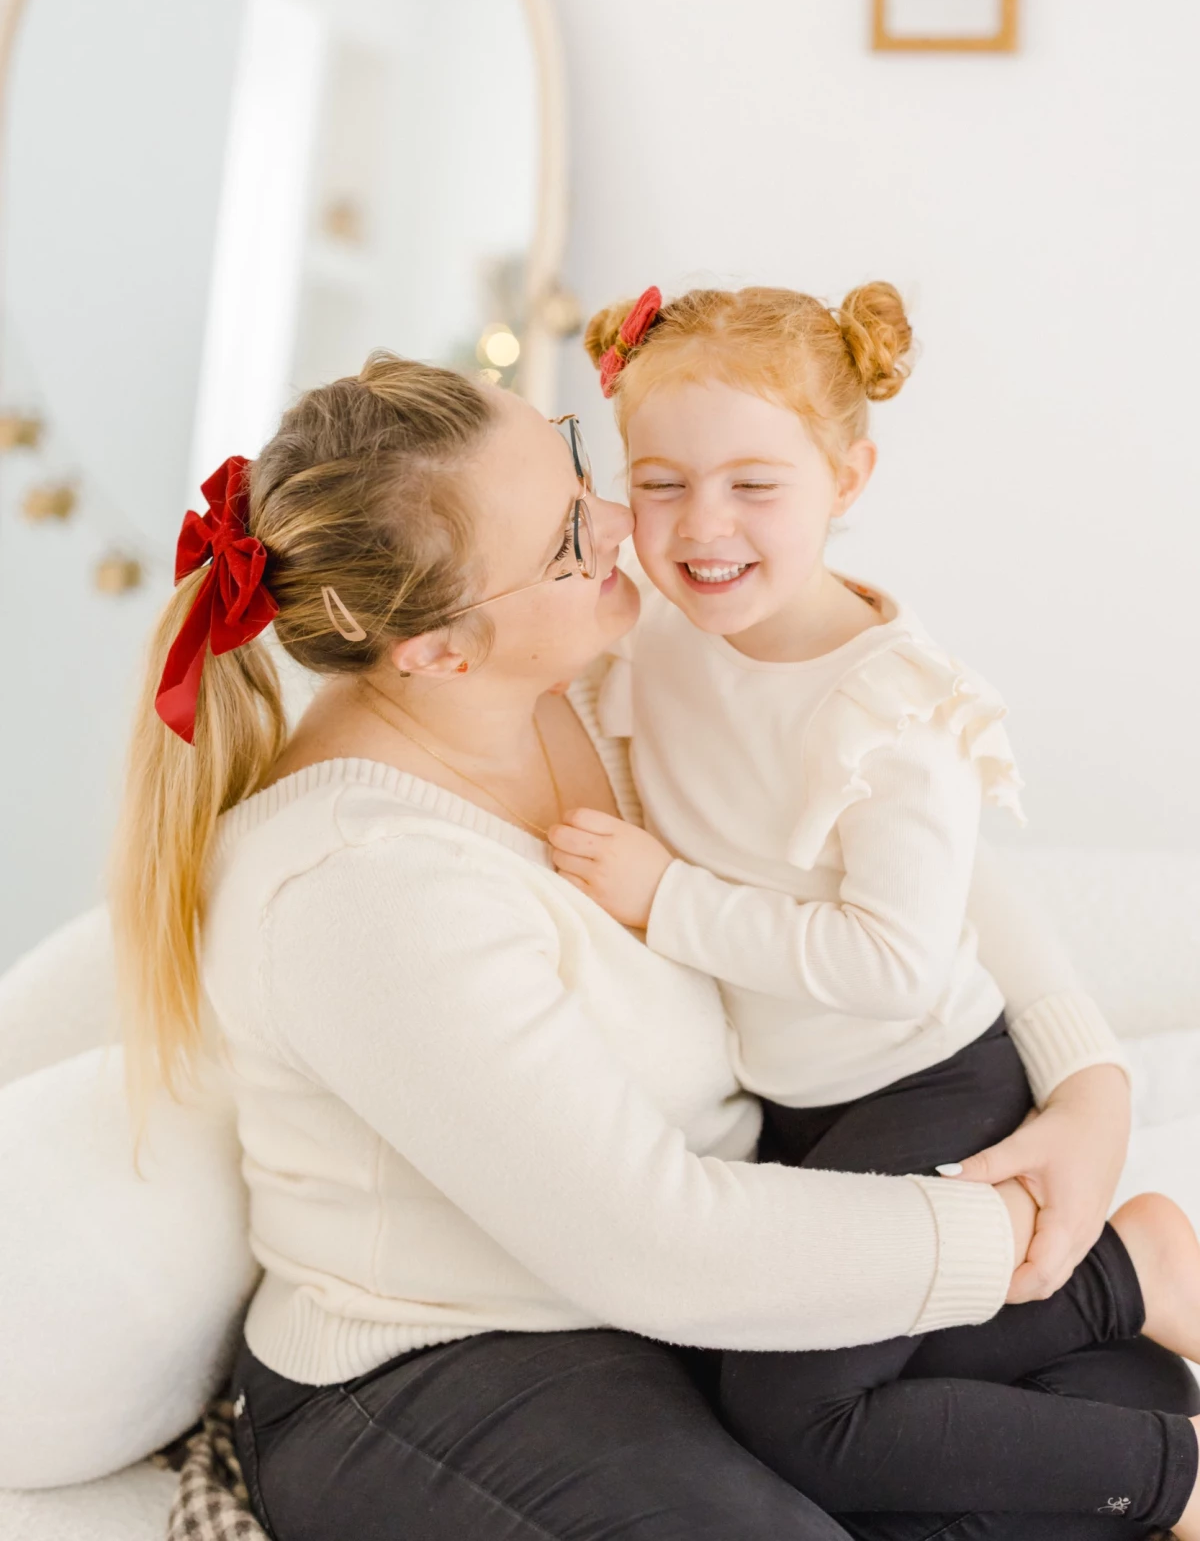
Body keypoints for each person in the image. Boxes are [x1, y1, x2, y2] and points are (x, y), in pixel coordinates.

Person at [109, 353, 1190, 1541]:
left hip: (683, 1299)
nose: (627, 523)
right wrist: (1029, 1240)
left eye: (579, 461)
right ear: (439, 650)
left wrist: (1088, 1084)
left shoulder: (608, 667)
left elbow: (896, 834)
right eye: (570, 538)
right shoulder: (358, 889)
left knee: (1119, 1398)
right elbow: (657, 1241)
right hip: (451, 1357)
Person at [550, 280, 1200, 1530]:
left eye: (755, 484)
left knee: (797, 1420)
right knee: (877, 1362)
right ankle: (1122, 1347)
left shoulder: (891, 712)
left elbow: (895, 965)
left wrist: (668, 900)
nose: (702, 526)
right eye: (663, 482)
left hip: (925, 1076)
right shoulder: (668, 626)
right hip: (805, 1099)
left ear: (848, 481)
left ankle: (1151, 1351)